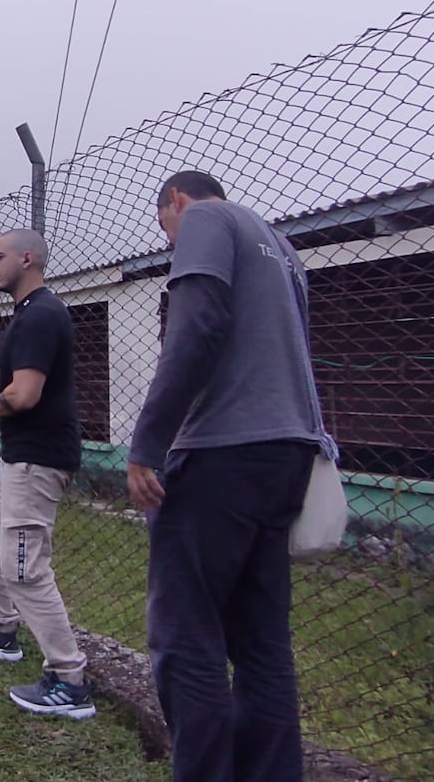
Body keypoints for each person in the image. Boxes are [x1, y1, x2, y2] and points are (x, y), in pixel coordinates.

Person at [127, 170, 335, 782]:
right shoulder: (281, 245)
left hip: (222, 452)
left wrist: (148, 442)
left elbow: (197, 327)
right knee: (262, 644)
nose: (171, 242)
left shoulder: (205, 219)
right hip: (288, 453)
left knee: (187, 636)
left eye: (165, 227)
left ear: (176, 201)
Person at [0, 228, 95, 719]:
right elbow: (18, 378)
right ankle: (0, 629)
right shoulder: (30, 313)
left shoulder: (40, 316)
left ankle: (69, 679)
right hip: (19, 454)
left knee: (24, 567)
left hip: (38, 457)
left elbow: (24, 396)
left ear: (26, 259)